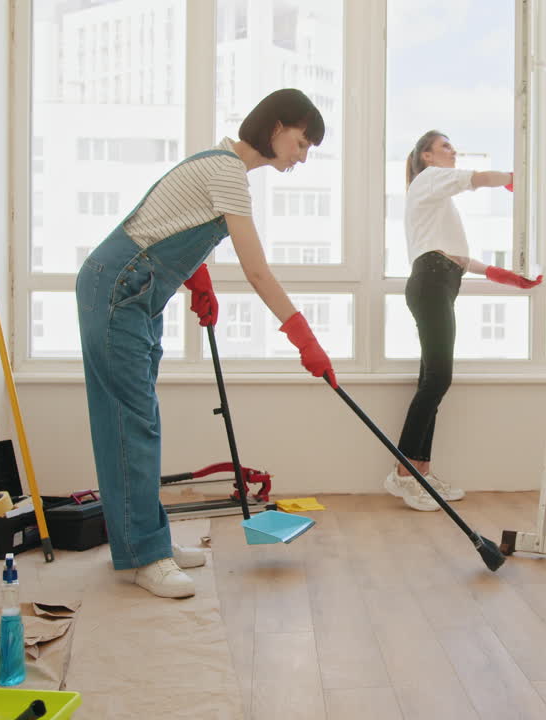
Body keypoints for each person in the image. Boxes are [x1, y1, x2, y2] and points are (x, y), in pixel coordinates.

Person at [76, 89, 337, 598]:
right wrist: (304, 338)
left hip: (136, 292)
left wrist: (198, 281)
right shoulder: (228, 173)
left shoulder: (219, 167)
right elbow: (257, 271)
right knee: (131, 424)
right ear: (277, 126)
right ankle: (140, 558)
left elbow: (173, 225)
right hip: (119, 291)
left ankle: (146, 540)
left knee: (137, 419)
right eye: (302, 143)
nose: (303, 157)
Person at [387, 130, 542, 511]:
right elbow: (476, 179)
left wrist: (507, 276)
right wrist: (512, 179)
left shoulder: (434, 197)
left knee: (433, 380)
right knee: (438, 379)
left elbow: (459, 258)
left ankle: (419, 470)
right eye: (445, 147)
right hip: (431, 282)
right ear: (426, 155)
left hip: (438, 281)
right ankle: (403, 474)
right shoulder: (431, 178)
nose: (453, 151)